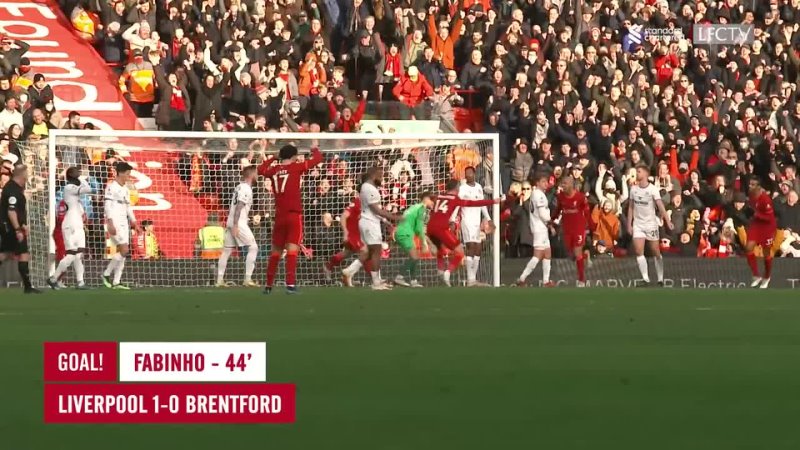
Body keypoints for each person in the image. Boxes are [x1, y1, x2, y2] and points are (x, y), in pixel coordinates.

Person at [258, 144, 323, 294]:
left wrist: (273, 158)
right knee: (292, 250)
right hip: (293, 215)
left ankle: (268, 285)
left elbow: (260, 170)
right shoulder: (296, 167)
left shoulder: (274, 170)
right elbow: (318, 159)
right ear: (294, 156)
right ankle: (290, 284)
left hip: (279, 216)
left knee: (276, 252)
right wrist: (313, 148)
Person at [427, 179, 500, 286]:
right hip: (441, 228)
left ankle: (440, 271)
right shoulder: (455, 199)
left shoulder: (439, 196)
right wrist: (493, 201)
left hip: (430, 227)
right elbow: (472, 203)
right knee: (460, 252)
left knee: (440, 249)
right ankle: (447, 274)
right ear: (457, 187)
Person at [626, 164, 673, 286]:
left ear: (646, 174)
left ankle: (660, 278)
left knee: (655, 250)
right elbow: (631, 207)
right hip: (638, 224)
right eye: (636, 171)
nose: (637, 173)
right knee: (638, 250)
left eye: (639, 171)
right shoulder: (633, 189)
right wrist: (629, 224)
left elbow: (660, 206)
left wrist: (668, 221)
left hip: (651, 224)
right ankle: (645, 278)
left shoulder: (652, 189)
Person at [358, 165, 402, 290]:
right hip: (369, 222)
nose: (382, 178)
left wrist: (385, 220)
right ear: (374, 175)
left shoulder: (368, 187)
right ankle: (375, 282)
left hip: (370, 221)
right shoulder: (368, 188)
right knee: (376, 251)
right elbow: (376, 210)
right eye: (380, 175)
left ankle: (353, 273)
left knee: (372, 252)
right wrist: (395, 217)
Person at [48, 167, 91, 290]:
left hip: (77, 225)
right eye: (77, 171)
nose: (79, 172)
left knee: (78, 255)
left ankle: (80, 282)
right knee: (71, 254)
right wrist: (82, 179)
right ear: (71, 174)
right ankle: (53, 278)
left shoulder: (76, 201)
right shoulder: (68, 188)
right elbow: (88, 189)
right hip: (70, 224)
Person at [217, 166, 259, 288]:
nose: (257, 176)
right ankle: (247, 279)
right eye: (256, 174)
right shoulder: (246, 189)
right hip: (238, 222)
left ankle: (219, 280)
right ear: (251, 175)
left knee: (227, 251)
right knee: (253, 247)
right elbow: (239, 206)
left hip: (231, 221)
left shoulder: (238, 186)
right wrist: (236, 225)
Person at [0, 164, 40, 293]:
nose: (28, 176)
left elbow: (16, 210)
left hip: (11, 226)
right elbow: (11, 211)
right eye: (27, 173)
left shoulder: (15, 188)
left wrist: (22, 225)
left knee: (6, 253)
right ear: (22, 175)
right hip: (10, 227)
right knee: (23, 253)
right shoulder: (12, 190)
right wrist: (18, 229)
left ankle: (28, 287)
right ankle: (28, 287)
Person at [102, 162, 140, 289]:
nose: (129, 176)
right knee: (124, 250)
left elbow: (128, 207)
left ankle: (116, 282)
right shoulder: (111, 187)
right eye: (128, 173)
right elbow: (107, 206)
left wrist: (134, 222)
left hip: (124, 223)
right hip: (115, 222)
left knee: (123, 254)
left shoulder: (126, 189)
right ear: (121, 173)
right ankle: (106, 274)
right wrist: (110, 222)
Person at [552, 174, 594, 287]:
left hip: (578, 228)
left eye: (565, 184)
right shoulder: (560, 197)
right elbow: (558, 209)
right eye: (562, 184)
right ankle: (586, 256)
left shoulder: (580, 197)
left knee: (577, 252)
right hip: (567, 228)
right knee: (572, 256)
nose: (562, 186)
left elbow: (587, 213)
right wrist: (552, 219)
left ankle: (581, 280)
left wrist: (591, 227)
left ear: (571, 184)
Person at [516, 173, 555, 287]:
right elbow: (542, 213)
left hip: (540, 227)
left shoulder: (538, 194)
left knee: (547, 252)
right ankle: (522, 278)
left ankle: (546, 281)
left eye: (546, 181)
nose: (546, 184)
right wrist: (550, 224)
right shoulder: (539, 195)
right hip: (539, 227)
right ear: (537, 183)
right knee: (538, 254)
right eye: (543, 181)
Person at [458, 166, 493, 286]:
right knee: (471, 246)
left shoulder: (478, 187)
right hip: (467, 221)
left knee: (478, 248)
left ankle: (473, 278)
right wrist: (453, 219)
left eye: (470, 173)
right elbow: (457, 204)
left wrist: (488, 219)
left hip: (477, 222)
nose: (468, 175)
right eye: (466, 173)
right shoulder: (462, 188)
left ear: (474, 174)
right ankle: (470, 278)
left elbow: (482, 204)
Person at [327, 191, 370, 287]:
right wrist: (345, 232)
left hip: (359, 234)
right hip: (353, 234)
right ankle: (349, 272)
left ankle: (328, 266)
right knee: (366, 252)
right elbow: (343, 217)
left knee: (347, 252)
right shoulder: (357, 202)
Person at [393, 191, 434, 288]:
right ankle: (399, 277)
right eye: (432, 200)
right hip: (404, 233)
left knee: (415, 256)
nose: (433, 202)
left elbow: (416, 228)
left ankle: (413, 281)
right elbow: (419, 228)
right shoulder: (421, 208)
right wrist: (424, 243)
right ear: (426, 199)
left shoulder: (414, 207)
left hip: (403, 232)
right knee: (415, 256)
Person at [745, 179, 777, 288]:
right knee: (748, 247)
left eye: (753, 184)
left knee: (766, 253)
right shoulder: (751, 195)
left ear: (759, 187)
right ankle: (756, 275)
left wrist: (756, 214)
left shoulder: (766, 199)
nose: (750, 186)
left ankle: (767, 277)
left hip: (767, 227)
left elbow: (769, 218)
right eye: (750, 184)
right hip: (757, 225)